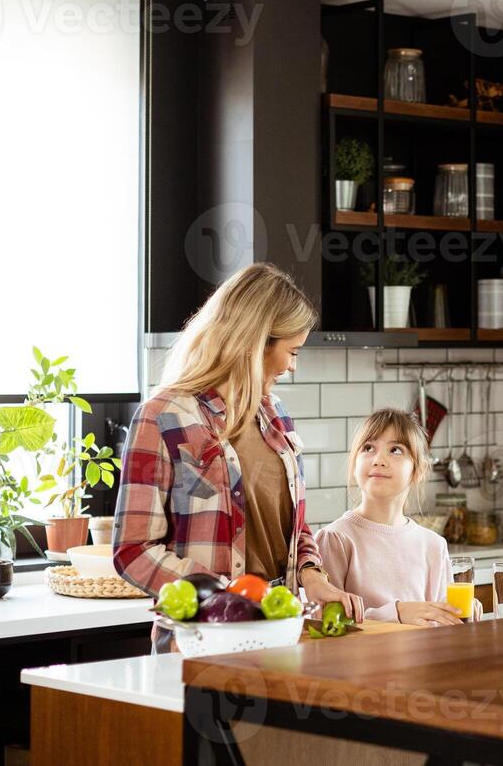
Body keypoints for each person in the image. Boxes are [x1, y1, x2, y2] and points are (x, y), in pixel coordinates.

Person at [113, 262, 362, 640]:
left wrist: (313, 577)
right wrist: (224, 598)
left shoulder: (277, 418)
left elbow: (294, 527)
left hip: (279, 632)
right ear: (256, 341)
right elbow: (132, 549)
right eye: (292, 352)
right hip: (200, 637)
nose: (293, 367)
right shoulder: (162, 418)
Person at [314, 409, 463, 625]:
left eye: (395, 450)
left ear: (418, 470)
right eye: (368, 448)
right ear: (354, 465)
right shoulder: (335, 539)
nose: (379, 459)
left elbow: (441, 625)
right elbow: (325, 624)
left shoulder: (433, 545)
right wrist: (396, 613)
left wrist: (461, 613)